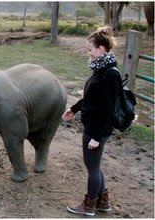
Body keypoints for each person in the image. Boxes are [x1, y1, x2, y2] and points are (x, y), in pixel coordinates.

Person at [62, 26, 121, 216]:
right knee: (93, 166)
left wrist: (96, 136)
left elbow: (108, 110)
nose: (88, 53)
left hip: (97, 128)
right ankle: (103, 202)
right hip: (92, 124)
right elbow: (91, 98)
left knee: (93, 168)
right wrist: (74, 108)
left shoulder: (110, 74)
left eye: (90, 49)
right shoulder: (101, 68)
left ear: (101, 49)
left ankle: (88, 206)